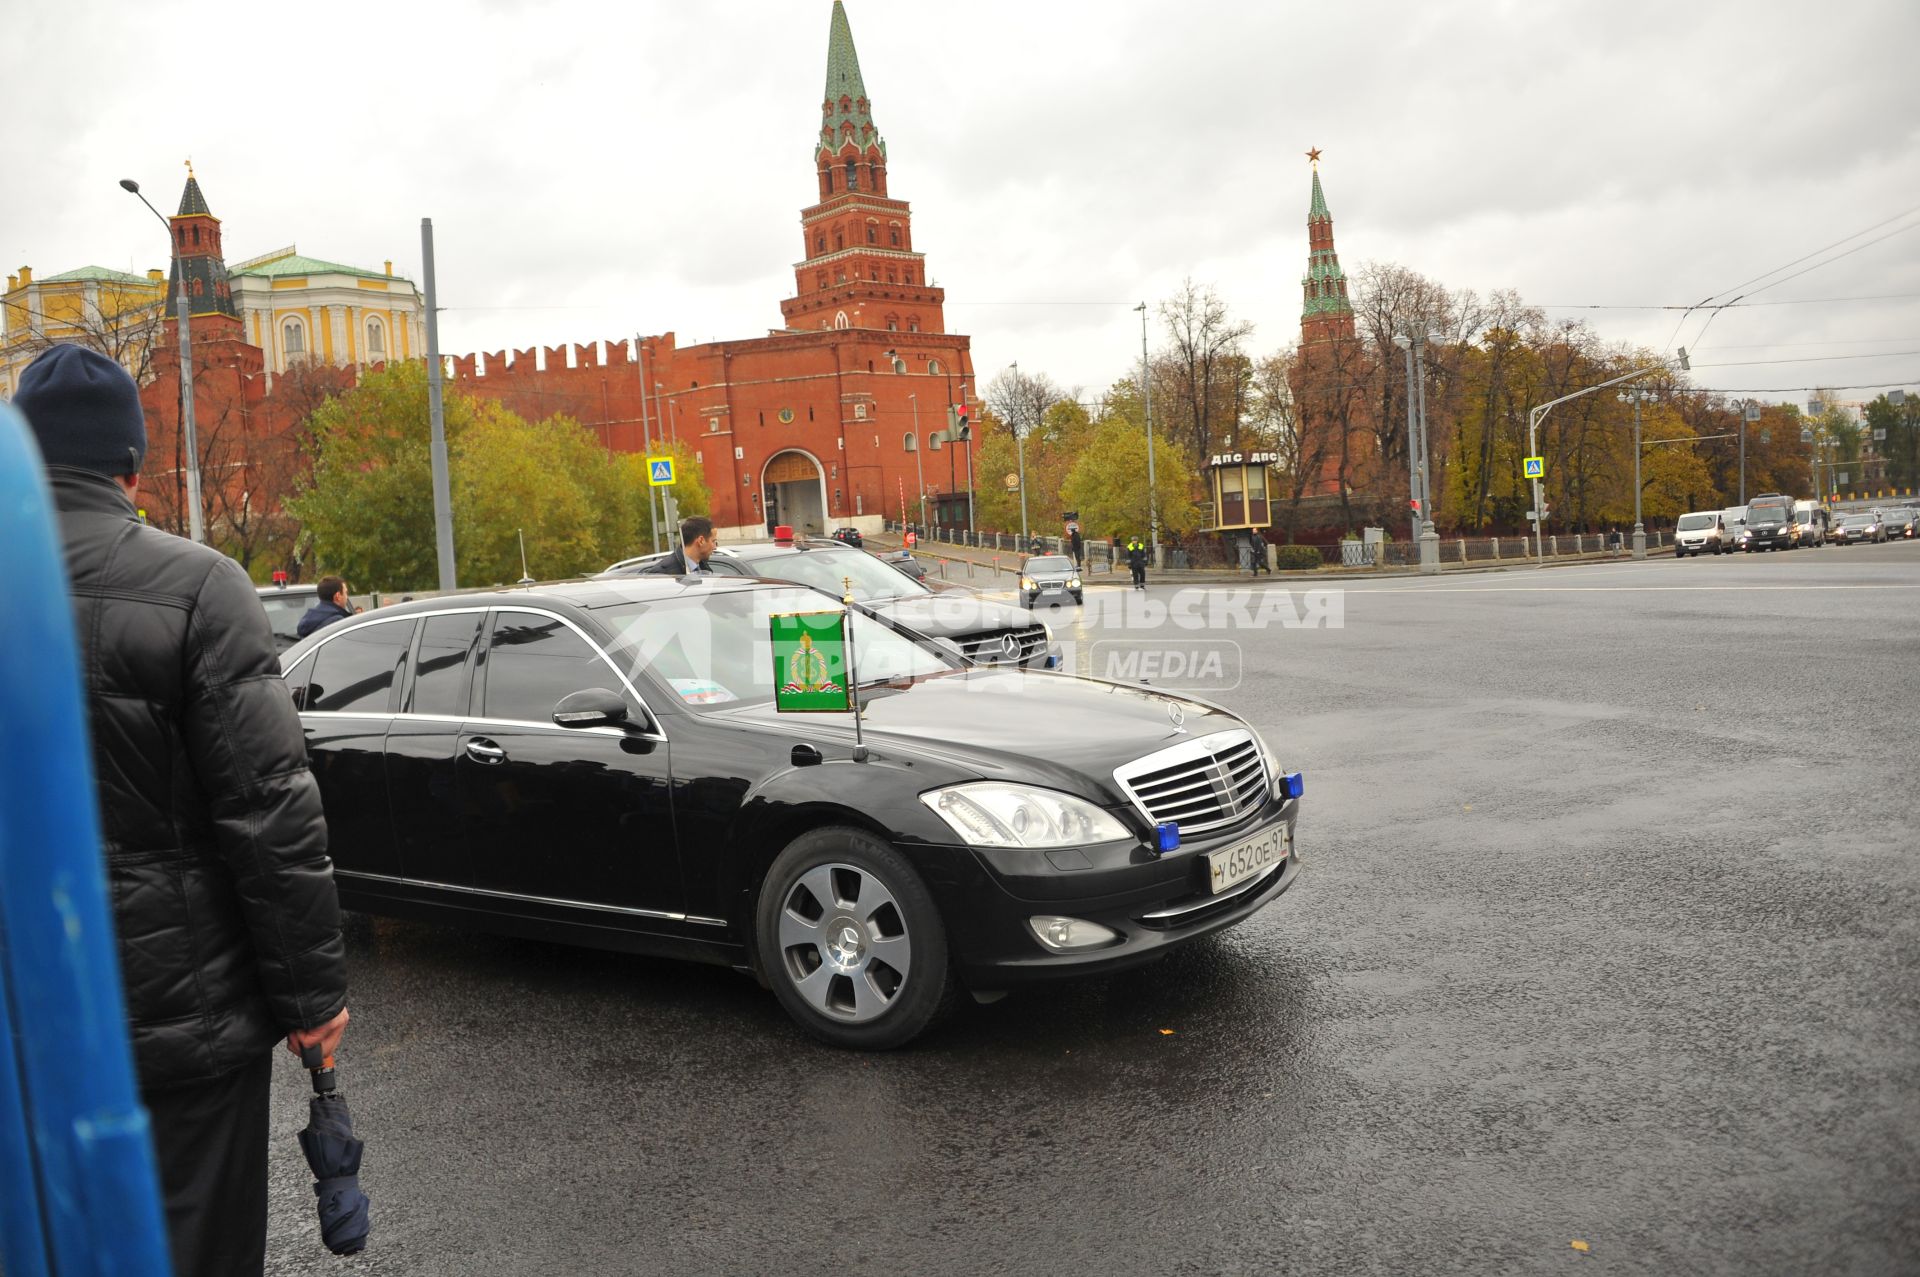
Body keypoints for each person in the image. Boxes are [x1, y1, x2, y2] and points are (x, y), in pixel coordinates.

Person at [14, 344, 349, 1277]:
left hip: (26, 1018)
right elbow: (268, 812)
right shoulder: (200, 586)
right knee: (195, 1246)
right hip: (186, 1023)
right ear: (133, 462)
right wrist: (311, 999)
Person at [645, 514, 719, 575]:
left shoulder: (704, 567)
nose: (715, 547)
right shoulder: (662, 574)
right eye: (713, 541)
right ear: (701, 541)